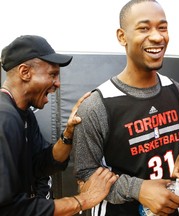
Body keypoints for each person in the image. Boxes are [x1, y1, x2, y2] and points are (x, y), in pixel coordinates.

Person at [73, 0, 179, 215]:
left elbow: (177, 137)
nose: (157, 37)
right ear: (122, 36)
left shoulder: (174, 89)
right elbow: (84, 177)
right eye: (144, 28)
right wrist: (138, 189)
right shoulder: (97, 104)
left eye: (162, 27)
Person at [0, 35, 118, 216]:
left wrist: (68, 133)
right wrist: (82, 200)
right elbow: (9, 208)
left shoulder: (24, 115)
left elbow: (41, 165)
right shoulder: (4, 118)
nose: (57, 83)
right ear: (25, 72)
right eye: (52, 75)